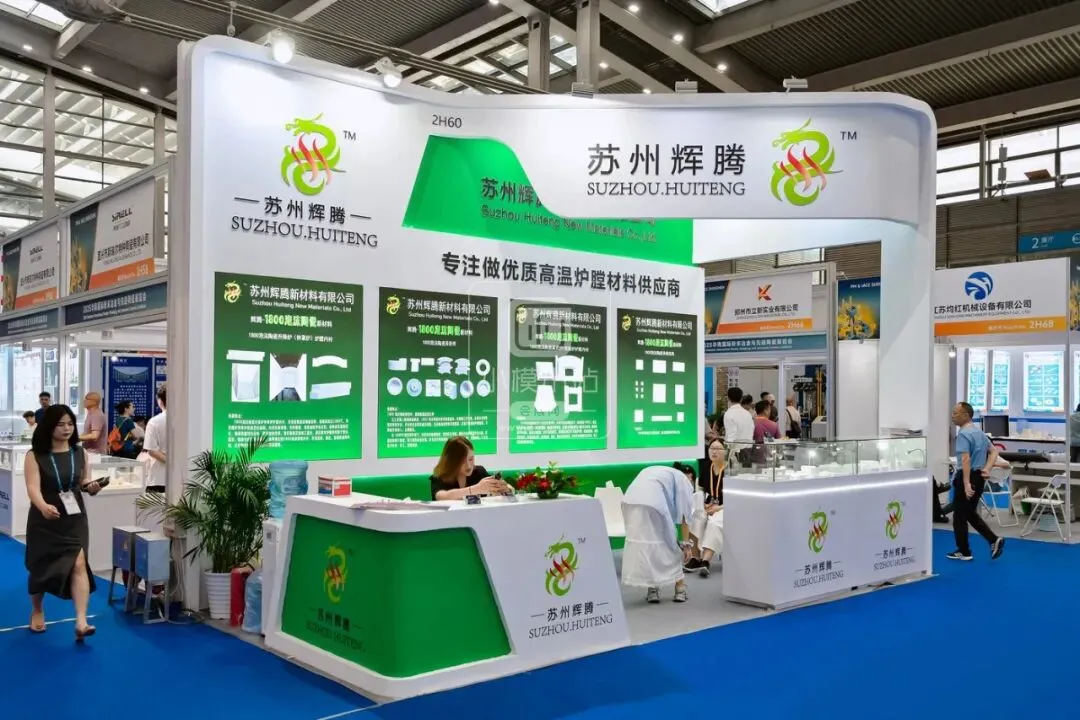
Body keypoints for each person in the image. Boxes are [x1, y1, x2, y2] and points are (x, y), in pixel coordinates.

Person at [24, 404, 103, 641]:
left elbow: (83, 480)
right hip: (44, 518)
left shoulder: (80, 453)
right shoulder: (34, 455)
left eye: (70, 424)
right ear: (49, 426)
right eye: (61, 424)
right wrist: (43, 506)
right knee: (40, 566)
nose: (67, 428)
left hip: (74, 518)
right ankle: (37, 610)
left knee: (79, 563)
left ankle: (81, 621)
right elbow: (32, 488)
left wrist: (91, 486)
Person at [621, 463, 698, 603]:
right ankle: (680, 589)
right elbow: (684, 517)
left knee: (647, 545)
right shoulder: (684, 481)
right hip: (652, 503)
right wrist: (687, 546)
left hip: (630, 501)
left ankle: (652, 589)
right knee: (669, 545)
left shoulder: (665, 474)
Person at [947, 402, 1005, 561]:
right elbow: (994, 452)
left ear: (966, 415)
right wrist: (987, 468)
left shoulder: (964, 434)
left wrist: (966, 483)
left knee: (959, 515)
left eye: (955, 413)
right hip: (979, 477)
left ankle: (964, 551)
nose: (952, 416)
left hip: (967, 476)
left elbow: (965, 460)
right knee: (969, 513)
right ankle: (993, 540)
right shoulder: (979, 433)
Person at [686, 439, 725, 577]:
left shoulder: (730, 469)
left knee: (714, 523)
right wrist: (702, 503)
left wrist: (718, 508)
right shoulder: (706, 467)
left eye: (718, 449)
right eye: (712, 448)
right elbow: (701, 489)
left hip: (725, 507)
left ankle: (706, 561)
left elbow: (736, 497)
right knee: (695, 518)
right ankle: (695, 558)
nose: (714, 451)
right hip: (709, 505)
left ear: (725, 451)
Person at [430, 436, 510, 500]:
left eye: (471, 459)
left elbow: (503, 490)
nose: (468, 466)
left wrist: (504, 489)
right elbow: (441, 497)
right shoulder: (440, 476)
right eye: (462, 461)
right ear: (452, 461)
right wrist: (476, 489)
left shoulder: (479, 471)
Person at [144, 385, 168, 493]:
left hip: (159, 478)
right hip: (184, 477)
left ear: (160, 401)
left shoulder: (154, 422)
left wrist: (170, 462)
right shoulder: (188, 420)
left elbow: (152, 450)